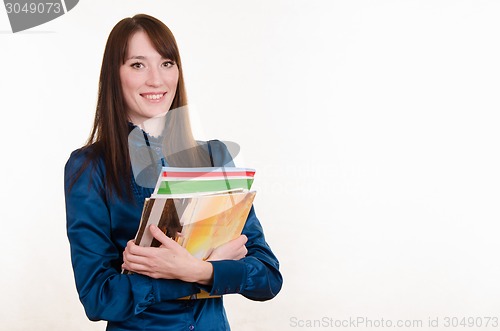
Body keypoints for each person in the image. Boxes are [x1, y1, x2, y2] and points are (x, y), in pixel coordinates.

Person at [64, 14, 282, 331]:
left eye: (167, 63)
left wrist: (194, 271)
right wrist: (208, 270)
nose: (157, 79)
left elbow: (268, 277)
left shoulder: (214, 156)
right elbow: (100, 298)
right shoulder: (88, 167)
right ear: (115, 73)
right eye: (138, 65)